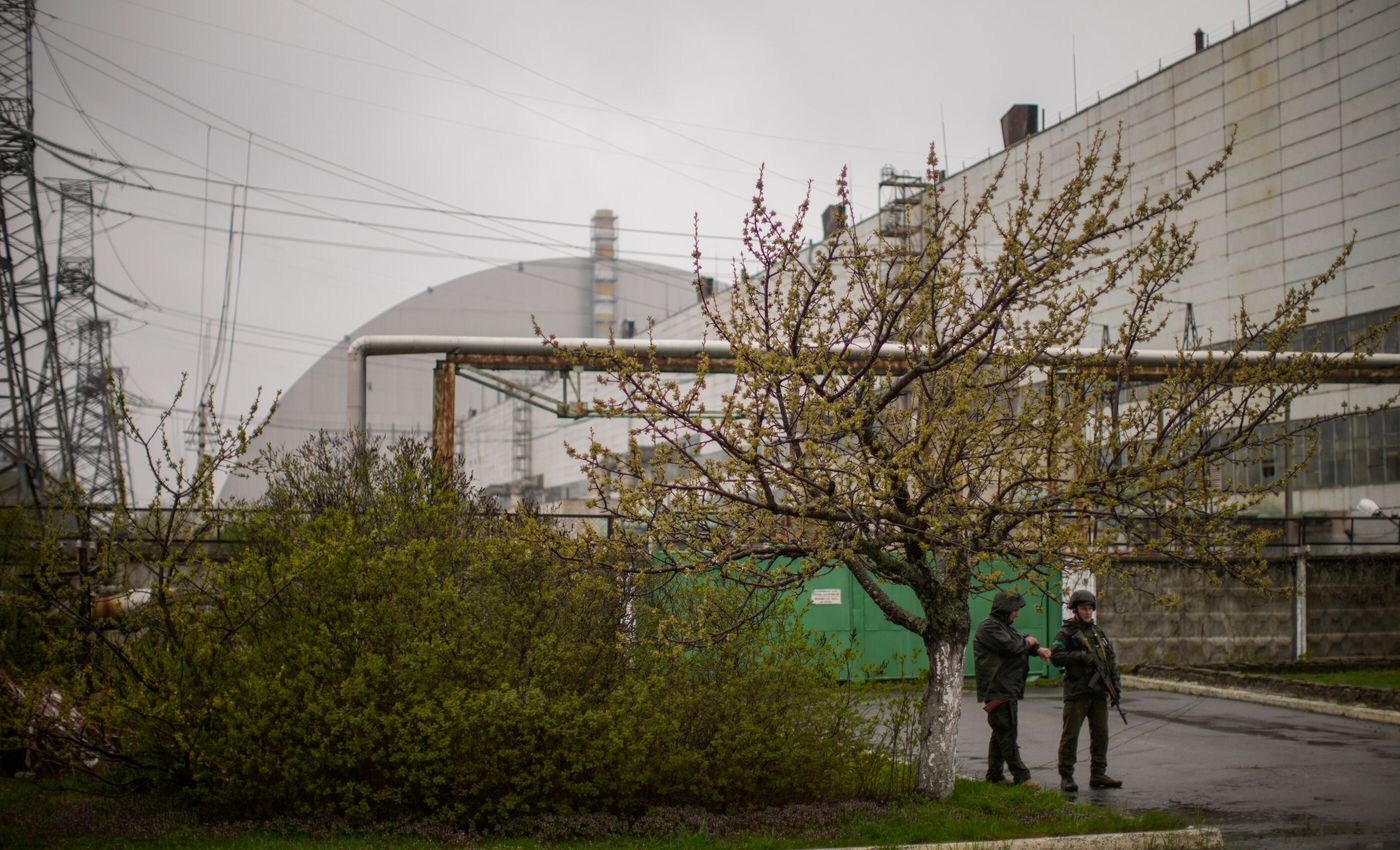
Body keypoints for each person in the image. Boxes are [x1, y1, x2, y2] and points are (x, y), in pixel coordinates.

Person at [973, 590, 1053, 787]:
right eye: (1015, 610)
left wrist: (1037, 649)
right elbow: (1013, 646)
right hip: (997, 688)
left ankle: (994, 776)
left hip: (1007, 688)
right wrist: (1029, 643)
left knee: (1001, 732)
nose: (1017, 614)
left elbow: (1019, 639)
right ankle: (1022, 776)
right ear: (1005, 609)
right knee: (1007, 732)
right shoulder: (989, 627)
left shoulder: (1002, 626)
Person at [1049, 588, 1123, 793]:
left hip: (1099, 692)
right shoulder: (1067, 632)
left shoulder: (1099, 633)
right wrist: (1079, 656)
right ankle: (1066, 775)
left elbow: (1111, 661)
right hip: (1077, 692)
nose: (1088, 612)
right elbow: (1055, 657)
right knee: (1070, 735)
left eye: (1090, 608)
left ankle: (1098, 773)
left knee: (1101, 735)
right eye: (1083, 608)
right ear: (1075, 609)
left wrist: (1116, 688)